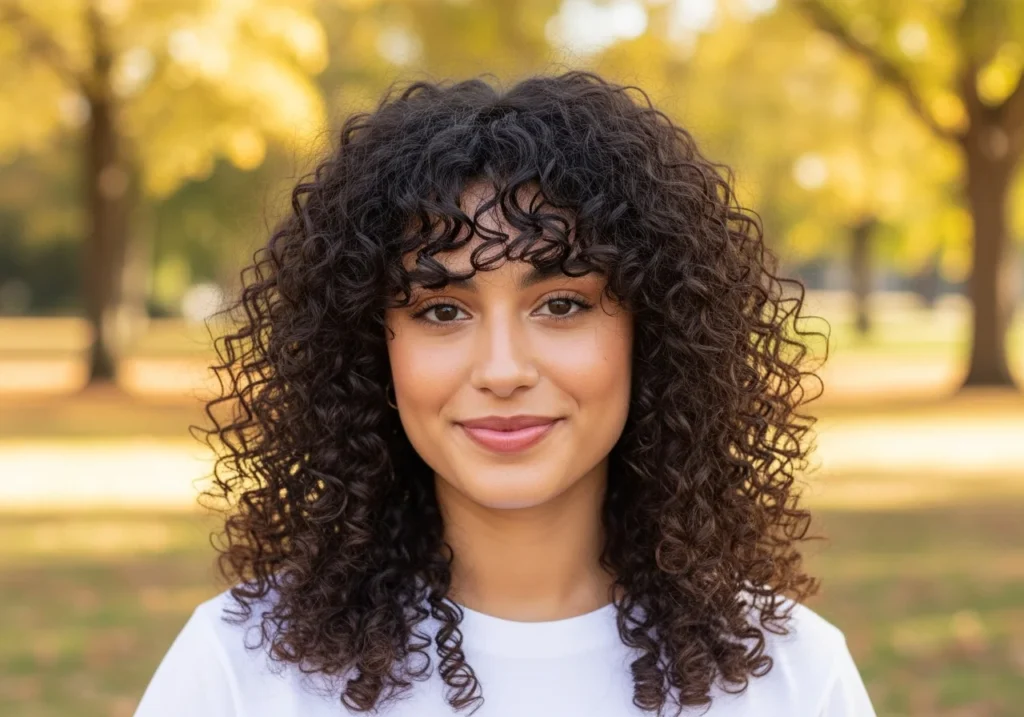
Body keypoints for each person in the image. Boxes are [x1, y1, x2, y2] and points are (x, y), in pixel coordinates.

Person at [133, 71, 876, 717]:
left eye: (562, 304)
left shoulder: (793, 679)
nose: (502, 369)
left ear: (655, 333)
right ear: (367, 348)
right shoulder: (241, 672)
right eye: (441, 311)